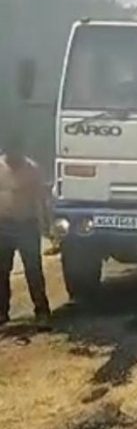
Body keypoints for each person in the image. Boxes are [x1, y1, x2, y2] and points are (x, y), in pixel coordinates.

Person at [0, 135, 51, 324]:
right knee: (1, 271)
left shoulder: (32, 169)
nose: (14, 156)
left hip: (27, 226)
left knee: (33, 270)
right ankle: (2, 313)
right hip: (3, 227)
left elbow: (41, 200)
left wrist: (47, 225)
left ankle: (42, 312)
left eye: (17, 152)